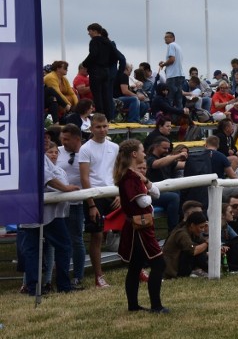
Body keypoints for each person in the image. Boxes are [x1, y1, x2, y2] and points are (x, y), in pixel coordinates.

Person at [113, 139, 168, 313]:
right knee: (158, 263)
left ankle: (134, 306)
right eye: (142, 151)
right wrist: (146, 189)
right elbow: (144, 201)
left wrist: (146, 182)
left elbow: (155, 192)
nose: (145, 154)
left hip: (138, 226)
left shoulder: (134, 176)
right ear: (134, 154)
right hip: (140, 228)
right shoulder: (129, 177)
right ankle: (156, 306)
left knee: (135, 265)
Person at [21, 142, 79, 295]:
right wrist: (65, 188)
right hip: (45, 213)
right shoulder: (32, 156)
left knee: (34, 250)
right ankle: (61, 285)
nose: (53, 153)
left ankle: (35, 287)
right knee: (62, 246)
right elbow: (47, 179)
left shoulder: (32, 156)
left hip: (38, 211)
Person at [78, 113, 119, 288]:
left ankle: (136, 267)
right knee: (97, 236)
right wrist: (92, 204)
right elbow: (84, 178)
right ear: (91, 128)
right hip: (95, 195)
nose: (102, 130)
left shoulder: (114, 147)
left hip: (112, 193)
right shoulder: (85, 149)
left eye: (105, 126)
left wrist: (119, 194)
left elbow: (117, 172)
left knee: (128, 231)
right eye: (98, 127)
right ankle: (99, 276)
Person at [58, 124, 86, 287]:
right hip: (59, 202)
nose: (64, 142)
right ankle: (59, 273)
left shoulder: (85, 152)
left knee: (76, 239)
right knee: (62, 240)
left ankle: (78, 275)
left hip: (77, 202)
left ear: (77, 139)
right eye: (62, 139)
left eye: (67, 139)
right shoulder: (58, 152)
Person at [145, 136, 187, 234]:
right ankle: (173, 231)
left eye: (168, 148)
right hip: (151, 194)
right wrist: (177, 156)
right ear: (156, 147)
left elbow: (182, 165)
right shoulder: (148, 158)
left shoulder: (167, 160)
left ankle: (183, 225)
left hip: (164, 193)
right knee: (174, 197)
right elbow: (156, 164)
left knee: (181, 192)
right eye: (164, 148)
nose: (167, 150)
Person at [162, 211, 209, 278]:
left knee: (200, 247)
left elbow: (202, 243)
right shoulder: (182, 234)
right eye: (201, 227)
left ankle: (205, 270)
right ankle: (205, 270)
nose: (203, 230)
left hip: (179, 264)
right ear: (192, 225)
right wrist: (207, 243)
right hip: (173, 269)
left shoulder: (192, 232)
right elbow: (193, 250)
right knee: (194, 250)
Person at [82, 23, 114, 117]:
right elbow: (114, 55)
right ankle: (107, 117)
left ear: (95, 31)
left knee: (97, 95)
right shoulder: (108, 42)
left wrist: (85, 63)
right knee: (105, 94)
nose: (89, 34)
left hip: (96, 71)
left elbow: (93, 54)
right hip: (106, 70)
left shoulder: (94, 41)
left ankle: (100, 115)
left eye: (90, 31)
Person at [159, 31, 184, 108]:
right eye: (165, 37)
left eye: (167, 37)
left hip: (172, 76)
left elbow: (172, 60)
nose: (165, 39)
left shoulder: (171, 45)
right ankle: (180, 117)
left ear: (173, 38)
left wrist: (163, 64)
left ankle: (169, 117)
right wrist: (166, 62)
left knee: (169, 98)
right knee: (179, 100)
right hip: (180, 75)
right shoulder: (178, 47)